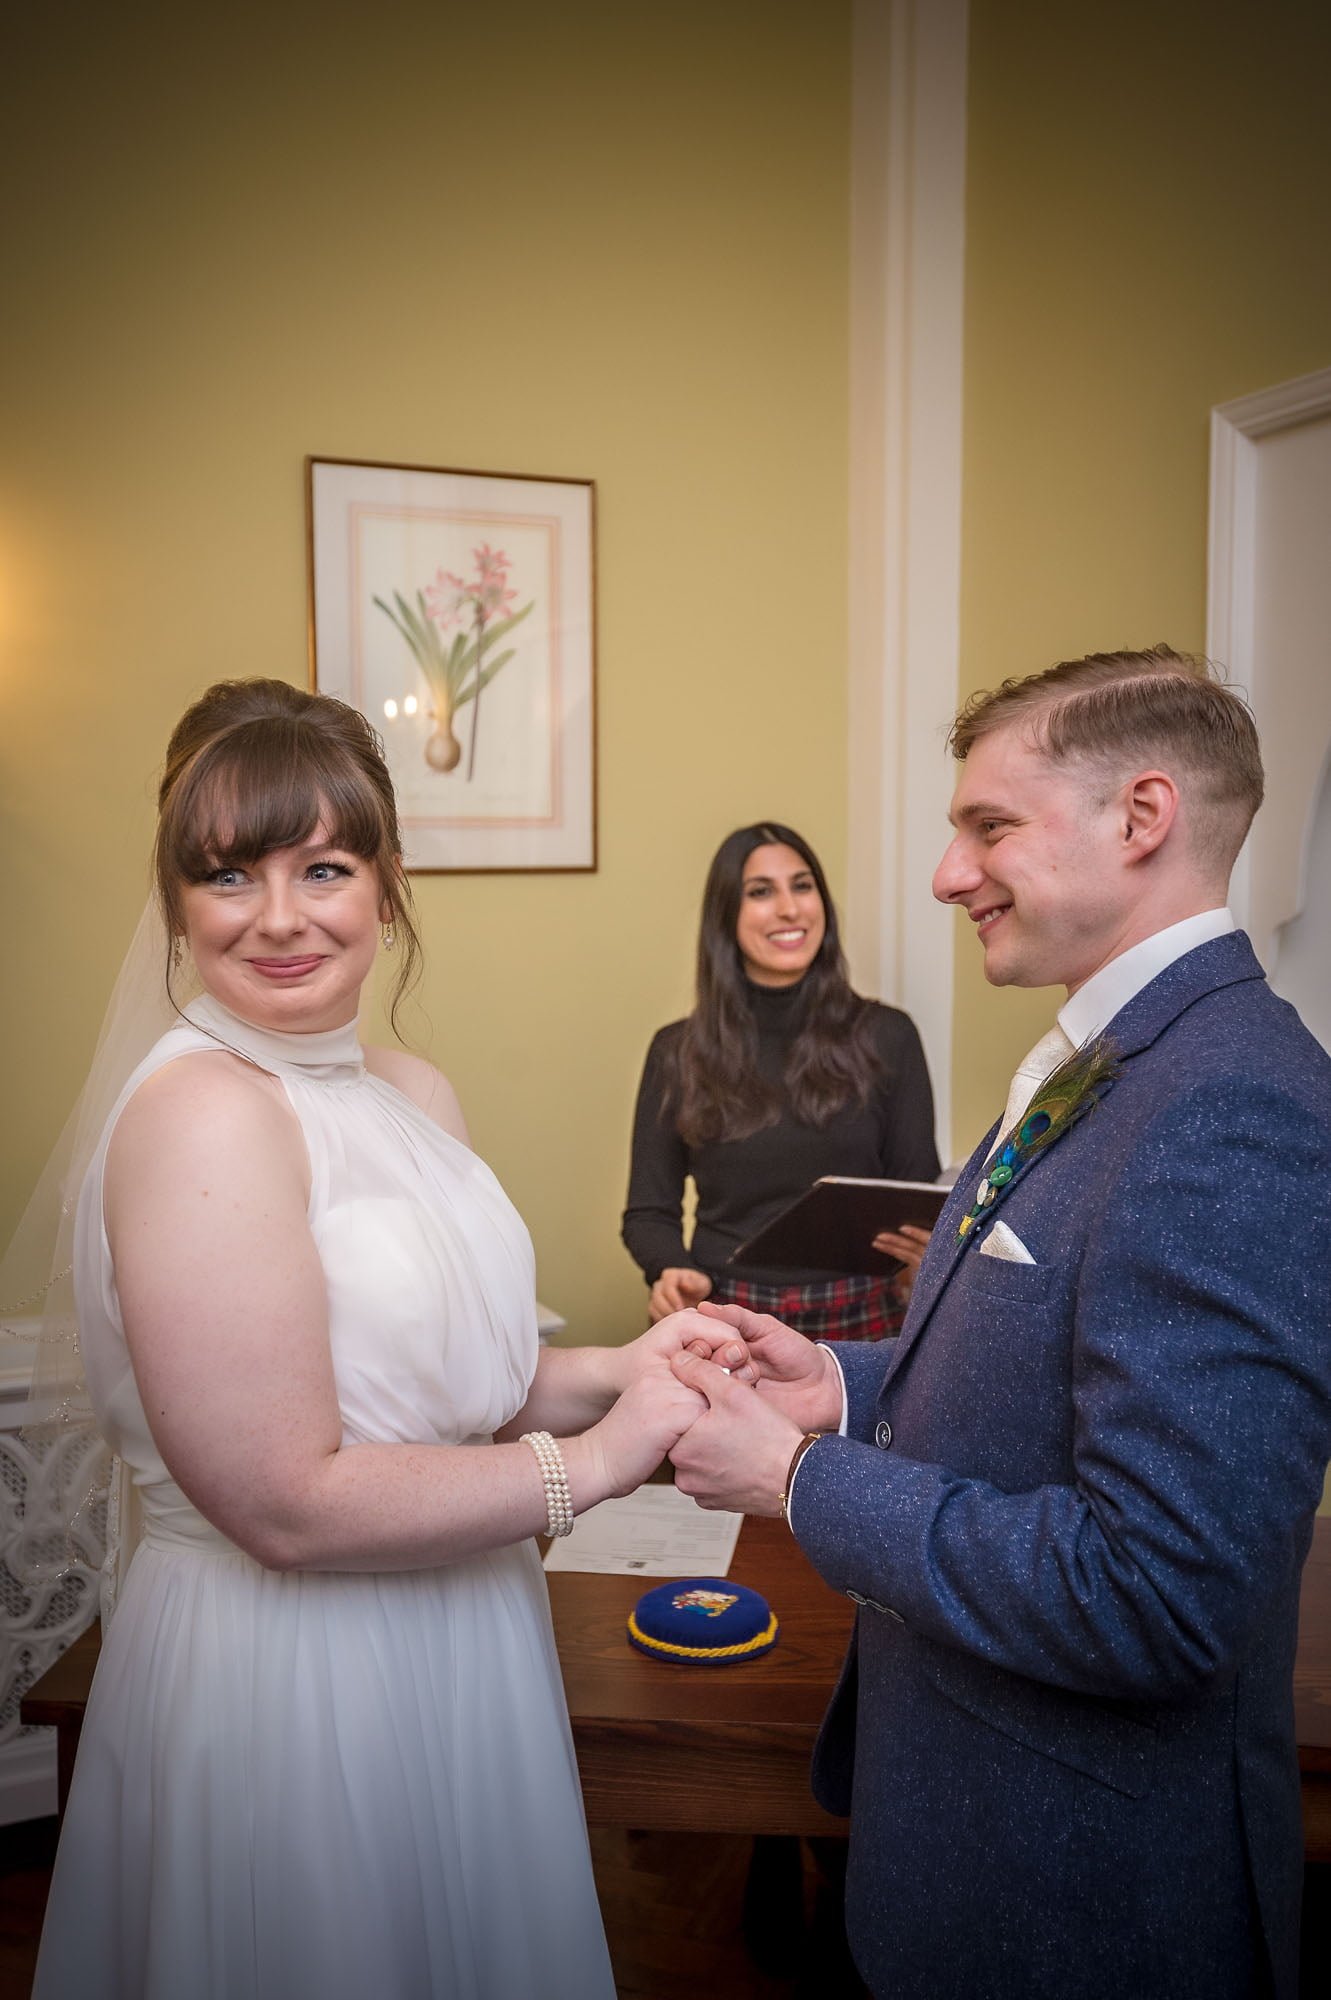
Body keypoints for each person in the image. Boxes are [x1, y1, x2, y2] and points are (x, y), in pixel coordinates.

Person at [30, 678, 727, 2000]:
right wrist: (603, 1459)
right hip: (291, 1678)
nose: (281, 917)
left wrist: (629, 1372)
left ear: (388, 884)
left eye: (325, 867)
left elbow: (448, 1386)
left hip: (463, 1634)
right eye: (230, 875)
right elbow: (286, 1501)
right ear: (177, 901)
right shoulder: (199, 1115)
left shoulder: (411, 1091)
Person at [666, 647, 1331, 2000]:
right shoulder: (1109, 1059)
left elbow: (1150, 1596)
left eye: (987, 826)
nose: (942, 873)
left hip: (1078, 1900)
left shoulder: (1226, 1106)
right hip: (966, 1841)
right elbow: (1033, 1359)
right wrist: (837, 1389)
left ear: (1138, 818)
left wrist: (798, 1478)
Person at [622, 821, 940, 1342]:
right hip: (724, 1314)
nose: (790, 909)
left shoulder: (889, 1035)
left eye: (802, 885)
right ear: (726, 916)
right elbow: (648, 1213)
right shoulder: (675, 1051)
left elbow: (914, 1192)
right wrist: (668, 1269)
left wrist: (924, 1255)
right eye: (760, 892)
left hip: (860, 1317)